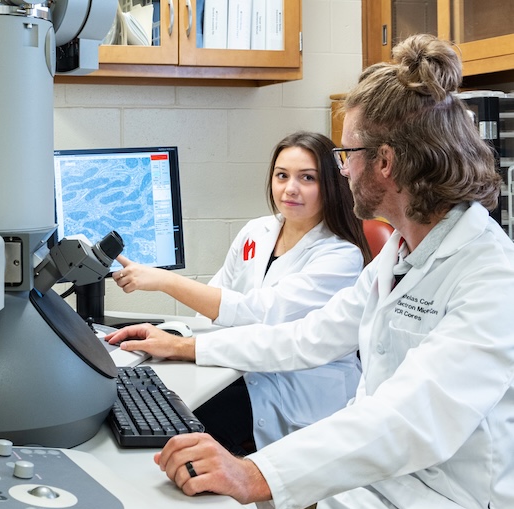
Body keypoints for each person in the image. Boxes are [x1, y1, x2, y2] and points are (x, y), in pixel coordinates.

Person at [106, 34, 514, 509]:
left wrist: (255, 473)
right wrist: (189, 347)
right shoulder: (399, 254)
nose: (341, 172)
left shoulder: (490, 275)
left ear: (386, 162)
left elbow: (412, 417)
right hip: (368, 493)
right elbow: (306, 337)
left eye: (345, 156)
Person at [113, 131, 371, 454]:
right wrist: (169, 339)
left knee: (175, 438)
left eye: (307, 178)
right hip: (242, 370)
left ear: (331, 185)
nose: (290, 188)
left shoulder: (340, 257)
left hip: (295, 390)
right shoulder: (256, 232)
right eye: (282, 176)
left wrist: (165, 284)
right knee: (154, 410)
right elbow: (215, 303)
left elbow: (260, 313)